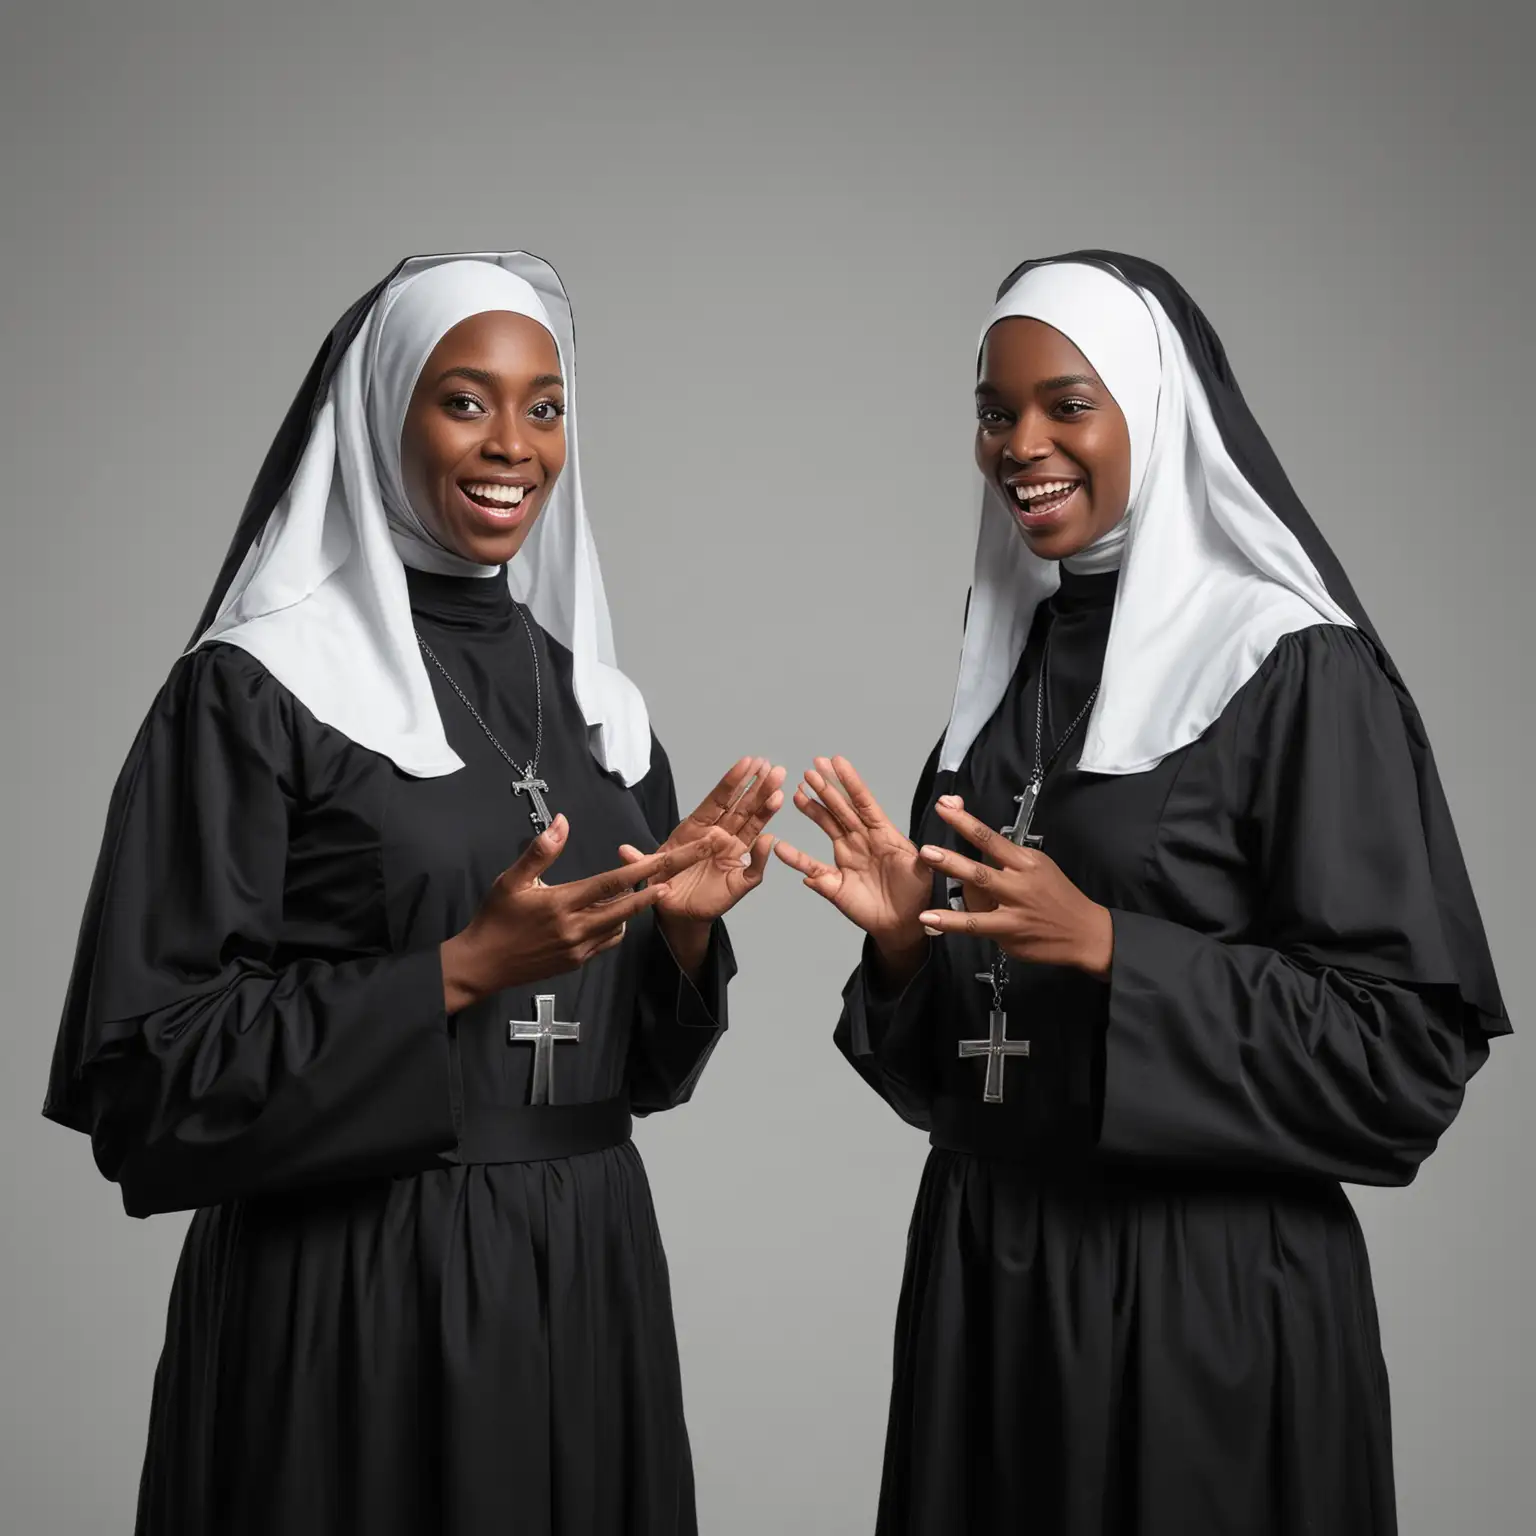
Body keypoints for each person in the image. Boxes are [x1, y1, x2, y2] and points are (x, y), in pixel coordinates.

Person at [44, 251, 783, 1536]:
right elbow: (142, 1077)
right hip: (349, 1298)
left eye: (545, 406)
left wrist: (678, 934)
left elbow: (642, 1079)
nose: (514, 445)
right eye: (465, 400)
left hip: (583, 1275)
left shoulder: (601, 712)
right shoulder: (254, 691)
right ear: (384, 415)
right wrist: (452, 972)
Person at [774, 251, 1508, 1534]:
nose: (1021, 444)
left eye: (1068, 404)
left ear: (1156, 415)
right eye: (996, 413)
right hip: (988, 1286)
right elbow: (972, 1066)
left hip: (1202, 1307)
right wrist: (903, 955)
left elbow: (1408, 1061)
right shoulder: (1011, 669)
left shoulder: (1292, 669)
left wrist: (1117, 947)